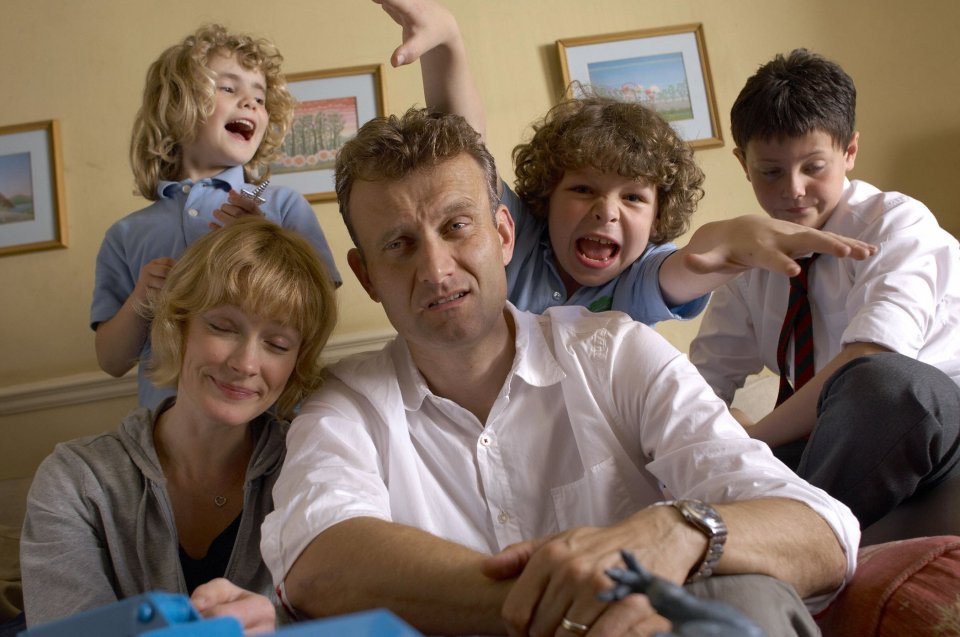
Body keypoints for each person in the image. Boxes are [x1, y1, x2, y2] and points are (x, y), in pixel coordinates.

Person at [260, 107, 860, 636]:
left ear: (502, 234)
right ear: (366, 276)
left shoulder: (616, 352)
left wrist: (681, 532)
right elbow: (320, 558)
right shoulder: (345, 403)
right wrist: (579, 602)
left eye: (456, 226)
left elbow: (821, 531)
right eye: (399, 245)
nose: (437, 270)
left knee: (745, 593)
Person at [374, 0, 877, 326]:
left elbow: (691, 263)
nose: (606, 211)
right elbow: (460, 153)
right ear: (545, 198)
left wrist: (735, 237)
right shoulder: (516, 241)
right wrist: (449, 41)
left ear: (657, 221)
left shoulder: (638, 278)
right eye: (583, 190)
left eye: (633, 197)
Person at [22, 217, 338, 632]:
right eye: (223, 327)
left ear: (296, 361)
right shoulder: (75, 482)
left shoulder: (314, 470)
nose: (245, 364)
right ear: (178, 324)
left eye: (277, 344)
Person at [688, 49, 960, 529]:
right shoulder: (752, 256)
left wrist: (756, 442)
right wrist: (716, 434)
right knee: (682, 442)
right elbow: (700, 384)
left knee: (888, 382)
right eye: (770, 171)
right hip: (834, 441)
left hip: (933, 425)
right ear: (742, 163)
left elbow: (872, 359)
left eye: (813, 167)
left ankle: (787, 539)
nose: (792, 189)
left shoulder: (898, 223)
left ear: (849, 151)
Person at [92, 23, 341, 410]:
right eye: (228, 88)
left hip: (271, 421)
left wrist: (261, 241)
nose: (252, 104)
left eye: (260, 98)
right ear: (176, 105)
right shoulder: (126, 235)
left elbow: (318, 314)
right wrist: (141, 298)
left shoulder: (283, 206)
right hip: (171, 436)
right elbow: (111, 361)